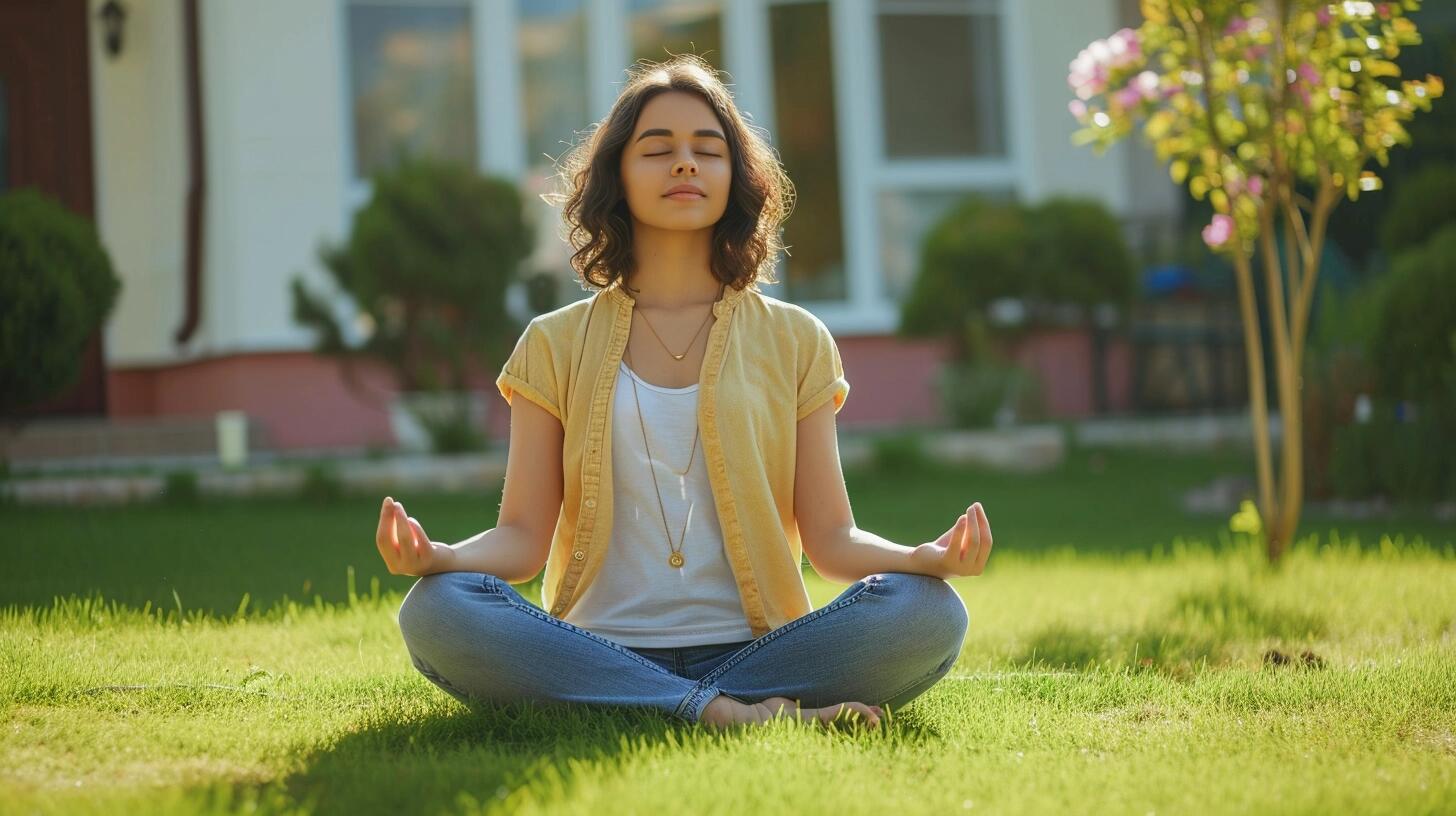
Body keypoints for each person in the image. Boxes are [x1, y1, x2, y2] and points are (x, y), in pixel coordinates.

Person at [378, 55, 994, 732]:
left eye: (707, 150)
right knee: (436, 609)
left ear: (736, 179)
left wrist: (922, 559)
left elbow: (831, 538)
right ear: (617, 176)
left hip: (760, 651)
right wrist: (439, 558)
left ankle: (669, 704)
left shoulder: (797, 338)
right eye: (657, 149)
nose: (684, 165)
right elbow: (522, 538)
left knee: (930, 610)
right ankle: (722, 714)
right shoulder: (552, 343)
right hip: (596, 645)